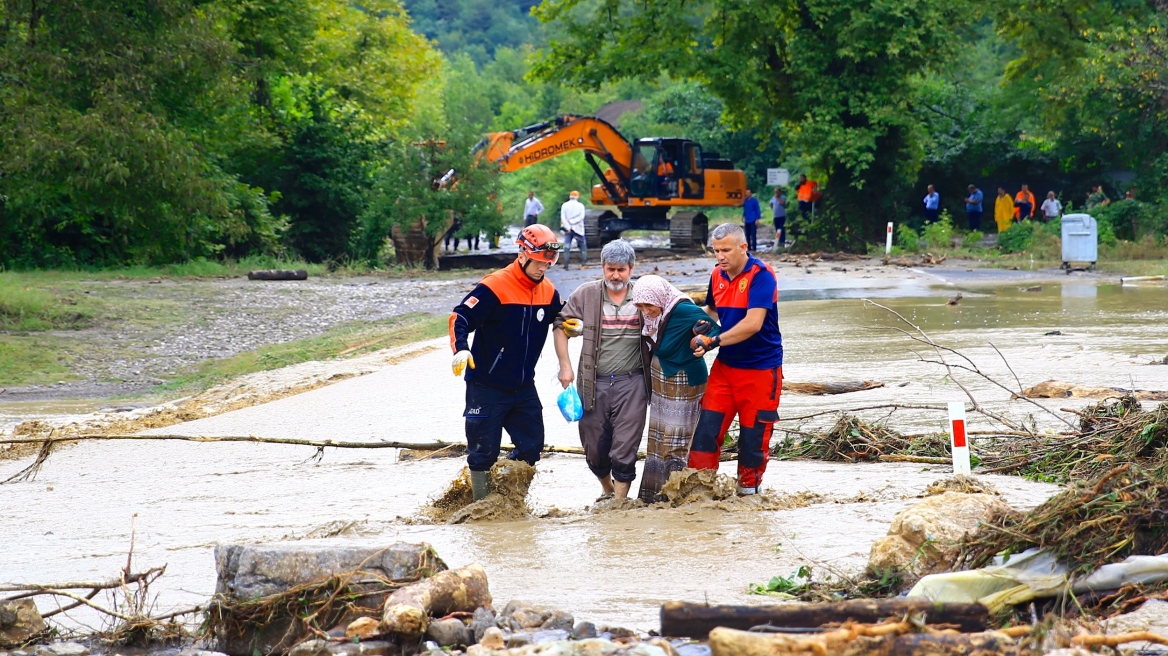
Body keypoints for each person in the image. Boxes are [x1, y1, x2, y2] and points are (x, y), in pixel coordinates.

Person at [449, 224, 564, 501]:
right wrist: (461, 349)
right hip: (486, 385)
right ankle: (481, 509)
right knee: (482, 453)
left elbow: (561, 317)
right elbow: (460, 317)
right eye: (539, 263)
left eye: (548, 264)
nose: (543, 269)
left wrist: (571, 324)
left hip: (523, 387)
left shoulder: (548, 291)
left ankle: (509, 503)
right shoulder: (495, 285)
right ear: (523, 255)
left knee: (532, 448)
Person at [688, 223, 783, 495]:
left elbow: (753, 323)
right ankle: (699, 493)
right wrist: (692, 326)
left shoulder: (762, 275)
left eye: (726, 250)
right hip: (726, 369)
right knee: (705, 432)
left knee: (752, 439)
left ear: (743, 247)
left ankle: (748, 497)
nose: (720, 257)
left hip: (761, 370)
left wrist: (713, 342)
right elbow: (711, 312)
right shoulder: (717, 275)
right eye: (716, 251)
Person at [554, 241, 650, 501]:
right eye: (610, 269)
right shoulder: (586, 294)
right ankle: (607, 490)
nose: (615, 275)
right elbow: (560, 326)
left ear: (632, 268)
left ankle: (619, 504)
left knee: (626, 444)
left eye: (621, 269)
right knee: (594, 446)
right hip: (592, 382)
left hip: (633, 383)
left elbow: (673, 310)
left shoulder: (644, 294)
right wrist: (565, 366)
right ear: (602, 268)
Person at [632, 275, 720, 503]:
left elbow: (713, 330)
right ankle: (654, 497)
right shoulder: (655, 314)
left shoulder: (682, 310)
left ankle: (679, 500)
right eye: (640, 306)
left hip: (685, 381)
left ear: (660, 299)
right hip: (662, 379)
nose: (645, 311)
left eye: (649, 305)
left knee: (677, 443)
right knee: (658, 441)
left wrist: (703, 342)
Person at [560, 190, 587, 269]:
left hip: (567, 229)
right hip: (578, 229)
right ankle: (583, 263)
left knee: (567, 246)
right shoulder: (580, 205)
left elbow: (563, 217)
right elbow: (581, 217)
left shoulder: (564, 205)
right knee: (583, 246)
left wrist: (568, 227)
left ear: (570, 196)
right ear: (577, 197)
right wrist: (572, 222)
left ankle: (566, 265)